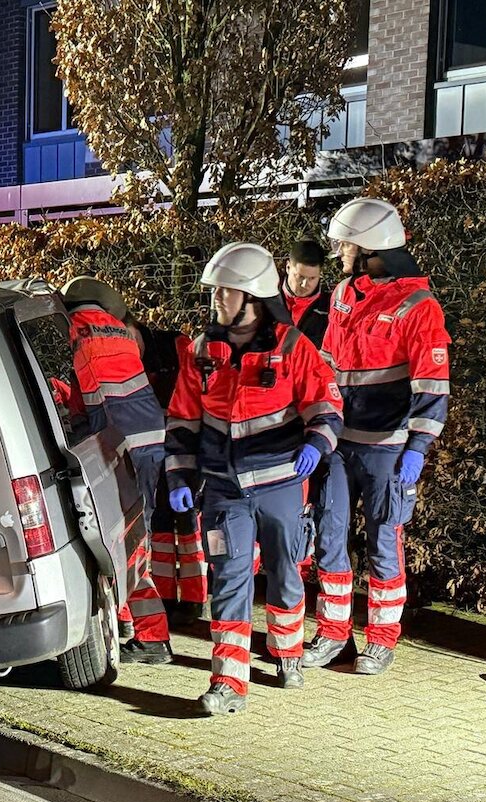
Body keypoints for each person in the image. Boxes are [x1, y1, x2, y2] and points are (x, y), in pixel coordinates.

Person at [164, 242, 343, 714]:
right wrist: (179, 476)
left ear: (254, 298)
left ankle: (287, 654)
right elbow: (182, 420)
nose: (216, 299)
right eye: (215, 290)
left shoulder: (292, 346)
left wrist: (316, 443)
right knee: (228, 579)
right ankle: (228, 682)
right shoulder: (201, 351)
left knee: (285, 570)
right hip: (223, 491)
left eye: (225, 291)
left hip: (282, 485)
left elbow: (326, 405)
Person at [304, 198, 451, 676]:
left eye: (347, 245)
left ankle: (382, 640)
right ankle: (333, 634)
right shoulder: (343, 294)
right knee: (329, 537)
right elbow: (327, 365)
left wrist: (417, 447)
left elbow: (432, 384)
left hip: (388, 446)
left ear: (372, 251)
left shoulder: (419, 307)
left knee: (384, 541)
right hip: (339, 442)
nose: (340, 254)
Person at [59, 277, 171, 664]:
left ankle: (153, 638)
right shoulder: (117, 330)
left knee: (125, 541)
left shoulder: (74, 328)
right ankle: (129, 622)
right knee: (134, 534)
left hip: (122, 444)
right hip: (148, 439)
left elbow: (89, 402)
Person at [126, 318, 205, 626]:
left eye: (130, 336)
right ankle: (165, 595)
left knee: (187, 521)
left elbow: (193, 393)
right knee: (159, 522)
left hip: (182, 446)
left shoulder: (175, 344)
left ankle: (195, 599)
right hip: (150, 450)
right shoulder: (127, 359)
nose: (130, 345)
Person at [268, 239, 330, 345]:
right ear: (288, 267)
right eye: (300, 277)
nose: (304, 284)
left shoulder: (329, 309)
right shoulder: (265, 297)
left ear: (320, 273)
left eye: (312, 278)